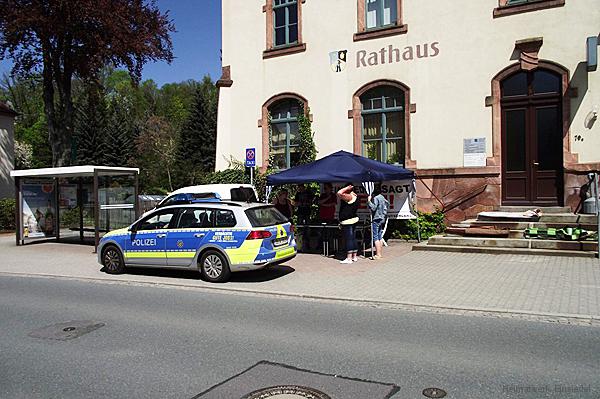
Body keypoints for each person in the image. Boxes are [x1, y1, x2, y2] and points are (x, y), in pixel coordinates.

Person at [337, 183, 359, 264]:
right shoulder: (355, 196)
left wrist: (347, 187)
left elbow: (339, 193)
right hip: (354, 219)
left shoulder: (349, 196)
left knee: (349, 239)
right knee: (353, 238)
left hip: (348, 221)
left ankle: (349, 258)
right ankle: (354, 256)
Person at [367, 184, 389, 259]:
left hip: (376, 218)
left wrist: (369, 201)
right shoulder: (382, 197)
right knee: (380, 236)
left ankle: (378, 254)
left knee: (375, 236)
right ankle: (379, 253)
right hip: (382, 218)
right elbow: (387, 204)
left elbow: (373, 208)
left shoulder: (376, 198)